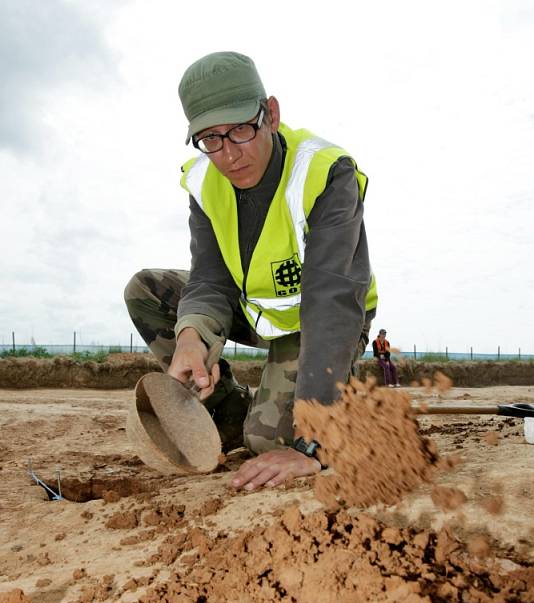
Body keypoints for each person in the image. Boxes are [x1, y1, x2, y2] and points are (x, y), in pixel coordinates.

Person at [125, 51, 377, 491]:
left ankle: (338, 415)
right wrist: (191, 338)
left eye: (240, 130)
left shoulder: (324, 172)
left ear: (272, 115)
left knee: (267, 442)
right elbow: (209, 278)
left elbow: (331, 301)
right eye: (210, 139)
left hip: (320, 320)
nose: (229, 155)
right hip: (255, 307)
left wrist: (312, 443)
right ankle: (224, 410)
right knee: (146, 291)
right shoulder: (205, 181)